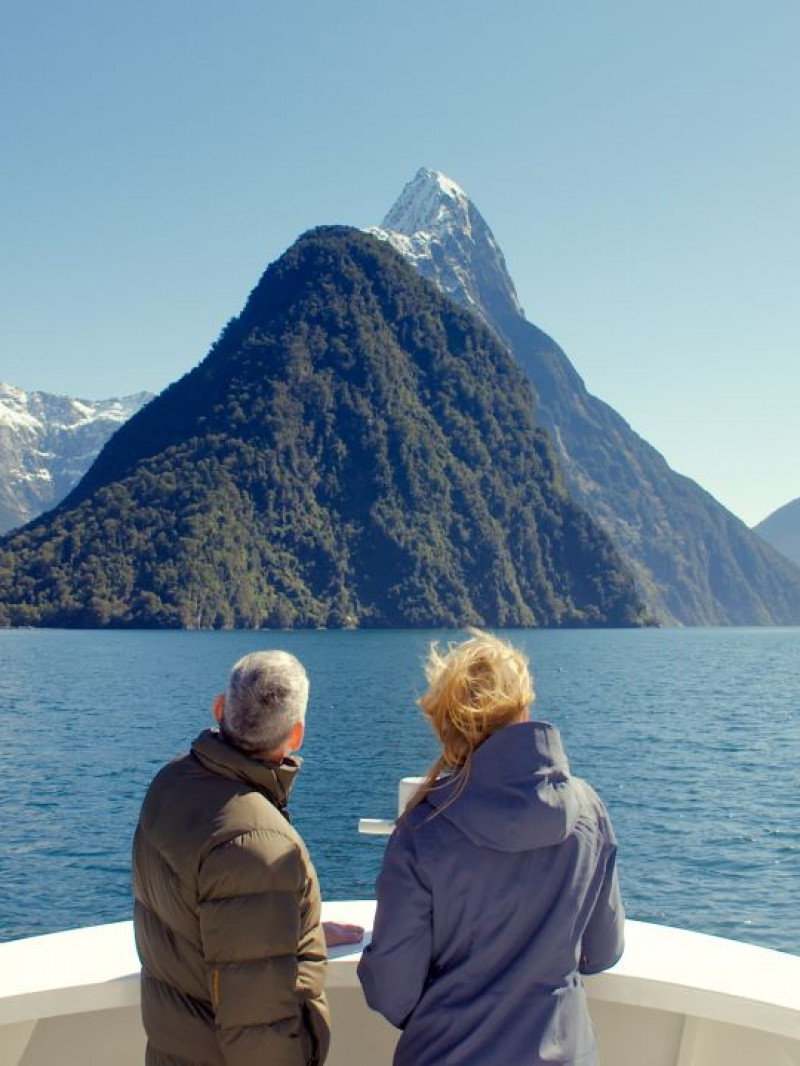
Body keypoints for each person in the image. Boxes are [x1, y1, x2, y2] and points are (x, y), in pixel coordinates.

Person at [358, 631, 625, 1066]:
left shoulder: (424, 829)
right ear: (525, 708)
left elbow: (393, 993)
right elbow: (603, 949)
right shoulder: (588, 810)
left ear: (448, 725)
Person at [133, 650, 361, 1066]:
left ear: (220, 708)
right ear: (296, 736)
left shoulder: (170, 784)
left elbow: (209, 921)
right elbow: (259, 1034)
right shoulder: (258, 846)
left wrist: (288, 928)